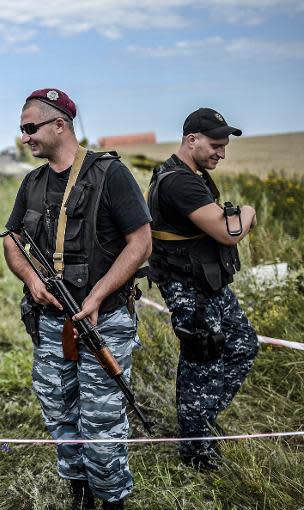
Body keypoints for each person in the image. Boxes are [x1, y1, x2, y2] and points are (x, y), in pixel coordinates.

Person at [3, 88, 151, 510]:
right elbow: (12, 240)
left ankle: (111, 499)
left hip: (104, 319)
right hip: (52, 322)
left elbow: (140, 243)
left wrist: (99, 296)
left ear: (59, 124)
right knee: (59, 410)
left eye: (30, 128)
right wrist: (32, 280)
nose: (25, 137)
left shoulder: (109, 174)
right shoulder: (32, 183)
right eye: (22, 130)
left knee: (102, 418)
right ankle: (80, 492)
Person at [147, 108, 258, 471]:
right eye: (216, 145)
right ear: (191, 139)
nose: (221, 154)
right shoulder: (180, 181)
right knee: (204, 361)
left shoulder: (191, 174)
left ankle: (198, 423)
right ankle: (196, 449)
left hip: (207, 283)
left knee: (242, 344)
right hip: (190, 289)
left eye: (224, 147)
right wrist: (249, 210)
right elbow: (229, 231)